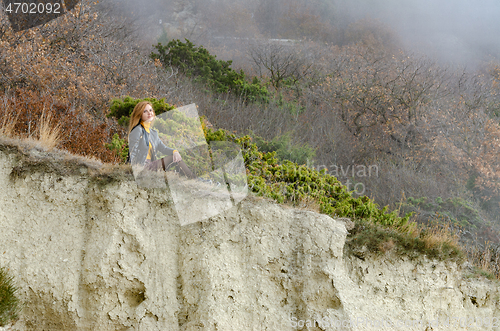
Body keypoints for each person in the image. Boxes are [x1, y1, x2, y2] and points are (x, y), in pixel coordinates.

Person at [128, 101, 196, 179]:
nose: (149, 113)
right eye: (145, 111)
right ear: (140, 114)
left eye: (150, 110)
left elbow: (163, 149)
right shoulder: (137, 130)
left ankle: (190, 181)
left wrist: (175, 151)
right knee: (172, 159)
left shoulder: (153, 133)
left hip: (152, 166)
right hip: (142, 167)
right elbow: (132, 152)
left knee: (176, 158)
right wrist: (134, 171)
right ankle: (195, 180)